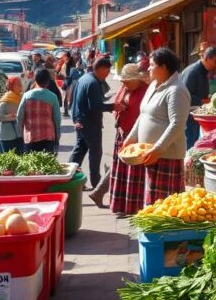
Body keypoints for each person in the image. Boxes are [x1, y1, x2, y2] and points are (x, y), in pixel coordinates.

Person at [119, 48, 190, 210]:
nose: (148, 68)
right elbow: (143, 115)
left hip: (167, 155)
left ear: (164, 67)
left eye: (152, 65)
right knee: (153, 201)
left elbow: (177, 124)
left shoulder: (176, 90)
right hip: (150, 154)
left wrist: (158, 149)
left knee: (165, 204)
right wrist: (131, 137)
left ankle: (165, 234)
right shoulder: (153, 86)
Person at [93, 63, 149, 209]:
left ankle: (129, 204)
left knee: (131, 170)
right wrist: (119, 110)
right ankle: (106, 195)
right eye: (123, 81)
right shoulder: (125, 88)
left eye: (127, 81)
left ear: (137, 79)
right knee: (120, 167)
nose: (124, 84)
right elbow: (117, 104)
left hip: (136, 135)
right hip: (122, 132)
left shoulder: (145, 91)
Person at [70, 57, 113, 188]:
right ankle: (96, 184)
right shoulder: (93, 83)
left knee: (79, 151)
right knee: (95, 153)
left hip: (81, 121)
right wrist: (113, 106)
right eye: (107, 70)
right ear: (100, 69)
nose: (108, 73)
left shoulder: (84, 78)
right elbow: (95, 106)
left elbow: (73, 99)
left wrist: (75, 119)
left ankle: (69, 178)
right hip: (90, 124)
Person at [180, 46, 216, 148]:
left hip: (195, 114)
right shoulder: (193, 72)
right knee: (189, 143)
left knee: (194, 141)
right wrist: (203, 101)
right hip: (187, 115)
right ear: (207, 58)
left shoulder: (202, 71)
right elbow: (183, 95)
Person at [16, 69, 62, 153]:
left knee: (31, 165)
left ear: (35, 80)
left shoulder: (26, 96)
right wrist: (57, 138)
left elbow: (19, 117)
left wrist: (20, 136)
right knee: (46, 165)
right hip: (48, 137)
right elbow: (57, 119)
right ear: (48, 82)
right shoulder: (53, 97)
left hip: (30, 138)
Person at [0, 76, 24, 153]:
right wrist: (11, 117)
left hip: (19, 135)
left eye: (21, 83)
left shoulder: (21, 98)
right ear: (11, 86)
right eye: (18, 84)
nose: (21, 86)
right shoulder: (6, 100)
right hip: (7, 137)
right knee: (9, 163)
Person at [62, 52, 84, 117]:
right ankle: (69, 111)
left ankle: (68, 111)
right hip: (74, 85)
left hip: (72, 86)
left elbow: (70, 78)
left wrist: (66, 85)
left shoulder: (74, 69)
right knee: (71, 99)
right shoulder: (78, 70)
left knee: (69, 99)